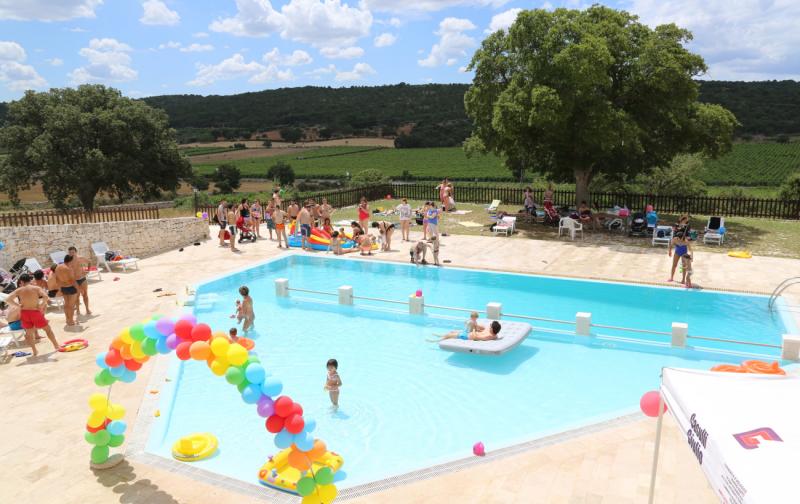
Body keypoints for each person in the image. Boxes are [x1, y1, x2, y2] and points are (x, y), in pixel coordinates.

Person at [6, 273, 60, 356]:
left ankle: (35, 351)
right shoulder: (36, 288)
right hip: (34, 312)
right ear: (30, 280)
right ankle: (56, 345)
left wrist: (18, 305)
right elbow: (45, 296)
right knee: (48, 330)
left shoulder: (19, 290)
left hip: (24, 313)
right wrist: (42, 305)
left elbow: (8, 299)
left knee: (29, 334)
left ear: (22, 281)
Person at [55, 256, 80, 326]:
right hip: (71, 288)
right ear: (70, 261)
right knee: (71, 306)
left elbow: (57, 279)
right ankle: (71, 321)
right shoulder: (69, 269)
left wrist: (60, 288)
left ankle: (67, 319)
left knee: (66, 305)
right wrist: (78, 289)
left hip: (63, 288)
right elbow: (72, 281)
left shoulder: (58, 267)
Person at [68, 246, 91, 315]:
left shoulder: (80, 258)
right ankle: (78, 310)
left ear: (76, 252)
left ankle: (87, 309)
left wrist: (88, 270)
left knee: (85, 294)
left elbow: (89, 262)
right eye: (70, 252)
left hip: (82, 278)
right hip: (75, 281)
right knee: (77, 296)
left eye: (73, 252)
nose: (71, 254)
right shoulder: (68, 260)